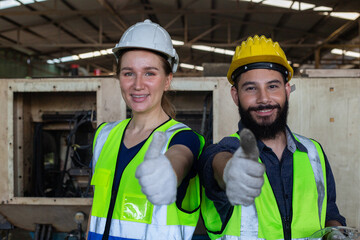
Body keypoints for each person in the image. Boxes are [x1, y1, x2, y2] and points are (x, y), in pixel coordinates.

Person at [198, 35, 346, 240]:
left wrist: (335, 231)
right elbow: (214, 163)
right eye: (251, 88)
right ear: (235, 95)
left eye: (273, 86)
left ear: (286, 90)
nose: (264, 98)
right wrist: (230, 171)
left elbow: (328, 209)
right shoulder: (225, 151)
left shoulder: (314, 152)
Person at [87, 19, 204, 240]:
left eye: (150, 73)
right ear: (119, 78)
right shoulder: (104, 136)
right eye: (128, 73)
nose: (138, 84)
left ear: (167, 80)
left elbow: (179, 158)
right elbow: (96, 210)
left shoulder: (184, 139)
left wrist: (168, 172)